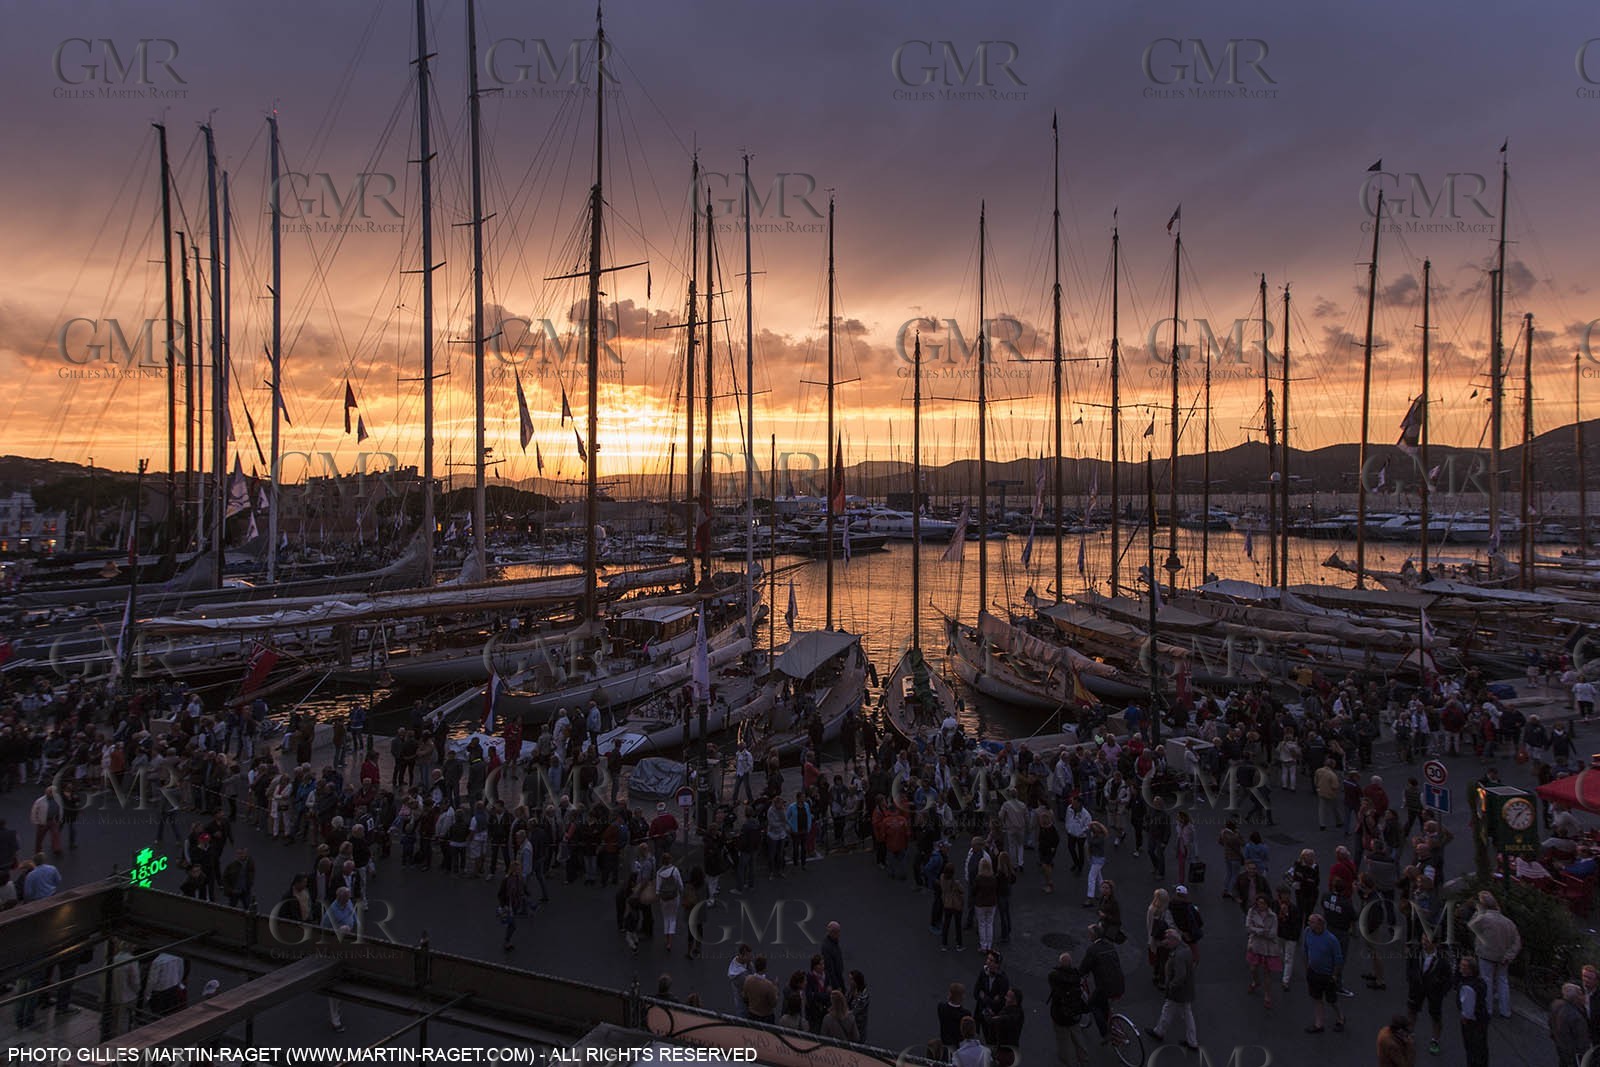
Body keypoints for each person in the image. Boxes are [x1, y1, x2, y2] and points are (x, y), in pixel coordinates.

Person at [1143, 928, 1198, 1051]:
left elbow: (1180, 976)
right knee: (1177, 1011)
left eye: (1167, 941)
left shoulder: (1178, 955)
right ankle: (1163, 1032)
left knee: (1174, 1010)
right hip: (1184, 990)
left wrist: (1171, 986)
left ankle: (1161, 1032)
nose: (1166, 944)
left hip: (1178, 991)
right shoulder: (1185, 949)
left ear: (1174, 940)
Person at [1467, 891, 1519, 1018]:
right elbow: (1516, 941)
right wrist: (1509, 955)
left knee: (1487, 981)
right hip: (1503, 956)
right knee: (1503, 981)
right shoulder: (1508, 923)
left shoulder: (1483, 918)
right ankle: (1505, 1010)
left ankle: (1488, 1009)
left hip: (1486, 954)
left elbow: (1471, 926)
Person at [1404, 934, 1450, 1056]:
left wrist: (1442, 991)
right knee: (1412, 1010)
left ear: (1435, 944)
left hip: (1434, 991)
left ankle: (1435, 1040)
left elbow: (1448, 977)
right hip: (1417, 987)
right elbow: (1409, 966)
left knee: (1435, 1016)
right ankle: (1410, 1033)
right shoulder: (1415, 952)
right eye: (1422, 939)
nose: (1423, 942)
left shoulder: (1442, 959)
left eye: (1427, 941)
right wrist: (1411, 979)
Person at [1301, 913, 1345, 1034]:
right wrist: (1307, 968)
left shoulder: (1331, 939)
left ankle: (1340, 1018)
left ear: (1320, 923)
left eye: (1312, 922)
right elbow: (1305, 949)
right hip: (1313, 972)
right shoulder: (1307, 932)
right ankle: (1318, 1024)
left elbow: (1338, 959)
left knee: (1332, 1000)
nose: (1309, 924)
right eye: (1309, 921)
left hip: (1327, 975)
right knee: (1317, 998)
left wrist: (1334, 976)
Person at [1046, 952, 1090, 1067]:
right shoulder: (1076, 976)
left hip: (1060, 1016)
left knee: (1064, 1044)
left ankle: (1070, 1063)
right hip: (1074, 1014)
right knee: (1078, 1038)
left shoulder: (1055, 976)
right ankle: (1084, 1061)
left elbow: (1052, 979)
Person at [1082, 923, 1125, 1039]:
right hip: (1120, 984)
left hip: (1105, 987)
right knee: (1103, 1002)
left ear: (1092, 935)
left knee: (1093, 1004)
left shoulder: (1093, 950)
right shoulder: (1110, 946)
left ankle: (1105, 1034)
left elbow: (1084, 967)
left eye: (1089, 934)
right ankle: (1110, 1024)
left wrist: (1078, 975)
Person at [1244, 894, 1280, 1009]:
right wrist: (1261, 931)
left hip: (1268, 947)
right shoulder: (1252, 912)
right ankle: (1255, 981)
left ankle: (1267, 996)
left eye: (1263, 903)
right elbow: (1248, 927)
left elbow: (1273, 933)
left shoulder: (1273, 916)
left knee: (1267, 973)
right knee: (1253, 968)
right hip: (1255, 944)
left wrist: (1257, 931)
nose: (1261, 905)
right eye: (1259, 903)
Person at [1456, 956, 1490, 1067]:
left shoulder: (1467, 986)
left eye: (1464, 966)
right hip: (1482, 1019)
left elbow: (1467, 1009)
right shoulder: (1480, 982)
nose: (1460, 967)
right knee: (1481, 1048)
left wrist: (1464, 1018)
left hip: (1472, 1023)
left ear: (1470, 969)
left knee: (1471, 1049)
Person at [1550, 983, 1589, 1067]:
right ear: (1575, 999)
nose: (1583, 995)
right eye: (1581, 994)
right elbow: (1582, 1042)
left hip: (1561, 1045)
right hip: (1572, 1052)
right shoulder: (1576, 1018)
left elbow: (1550, 1022)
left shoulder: (1555, 1004)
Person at [656, 851, 684, 952]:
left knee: (665, 917)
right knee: (673, 917)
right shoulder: (675, 870)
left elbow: (658, 888)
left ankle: (667, 937)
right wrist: (682, 893)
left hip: (664, 898)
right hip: (674, 897)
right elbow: (680, 885)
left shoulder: (659, 873)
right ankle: (670, 942)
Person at [937, 983, 971, 1057]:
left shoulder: (941, 1007)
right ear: (961, 997)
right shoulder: (965, 1014)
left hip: (945, 1042)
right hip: (959, 1046)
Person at [741, 956, 779, 1023]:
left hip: (752, 1015)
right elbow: (774, 1003)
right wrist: (775, 988)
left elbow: (744, 997)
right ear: (765, 968)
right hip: (766, 1018)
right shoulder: (769, 985)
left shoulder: (748, 980)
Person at [727, 943, 754, 1014]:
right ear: (741, 955)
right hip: (744, 1004)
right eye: (748, 956)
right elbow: (750, 986)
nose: (750, 958)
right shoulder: (740, 975)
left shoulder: (738, 960)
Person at [847, 970, 870, 1043]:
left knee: (858, 1040)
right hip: (850, 1021)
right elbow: (846, 1000)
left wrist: (844, 1014)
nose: (849, 981)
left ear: (856, 981)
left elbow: (856, 1010)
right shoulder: (851, 989)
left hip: (858, 1023)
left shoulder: (864, 995)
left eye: (851, 979)